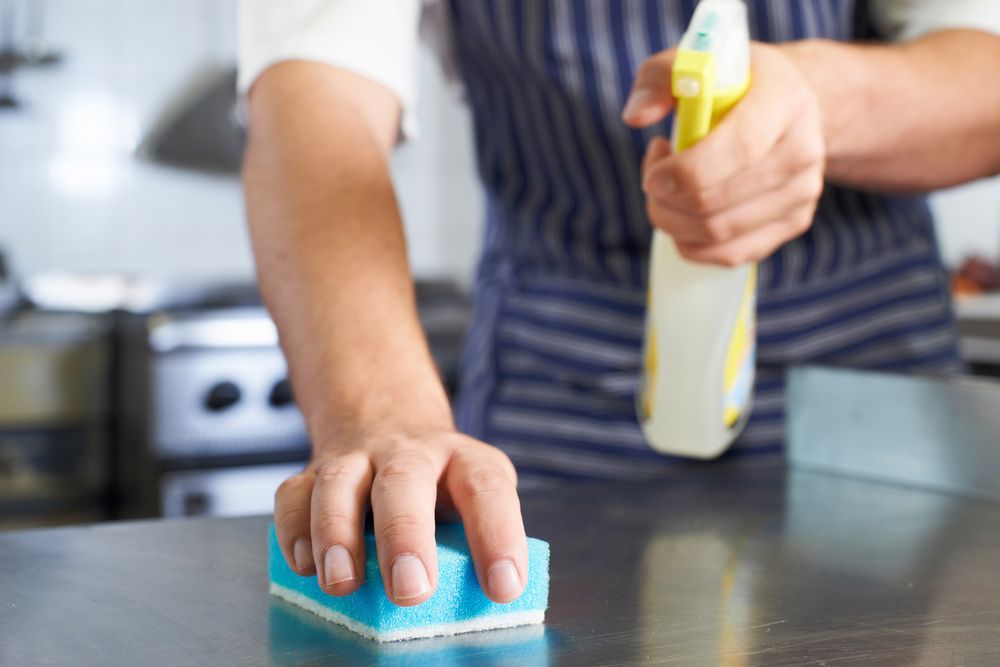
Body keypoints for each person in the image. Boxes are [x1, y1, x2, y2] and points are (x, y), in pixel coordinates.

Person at [238, 0, 1000, 608]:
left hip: (868, 396)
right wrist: (382, 410)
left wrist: (816, 100)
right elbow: (316, 93)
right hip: (560, 391)